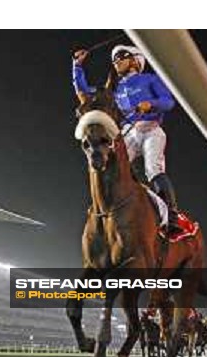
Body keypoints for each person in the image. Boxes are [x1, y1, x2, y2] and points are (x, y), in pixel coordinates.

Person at [72, 45, 180, 233]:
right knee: (112, 166)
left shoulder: (149, 79)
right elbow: (85, 92)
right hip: (128, 133)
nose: (116, 62)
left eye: (122, 56)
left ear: (135, 60)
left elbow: (169, 102)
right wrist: (77, 67)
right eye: (114, 60)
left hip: (152, 130)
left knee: (152, 169)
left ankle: (172, 215)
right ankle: (108, 211)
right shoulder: (115, 87)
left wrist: (151, 104)